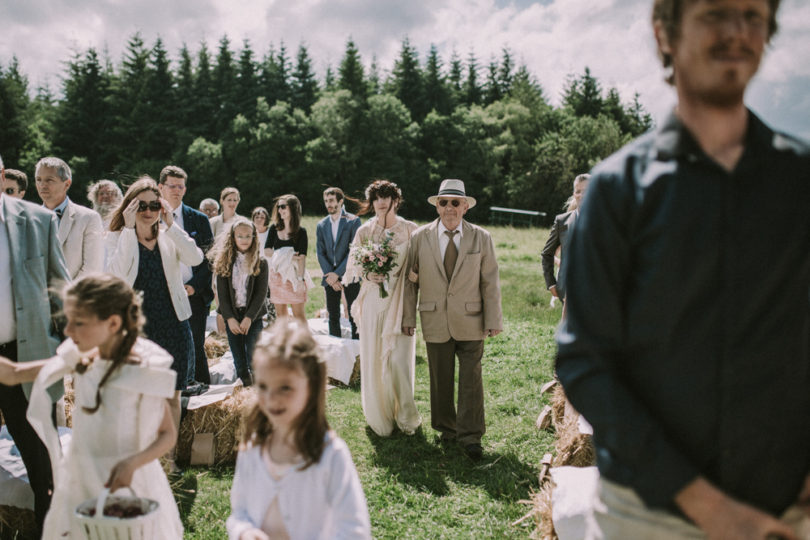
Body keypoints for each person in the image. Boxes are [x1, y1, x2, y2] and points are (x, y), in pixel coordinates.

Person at [556, 1, 810, 538]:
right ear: (664, 32)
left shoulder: (800, 179)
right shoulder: (616, 190)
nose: (739, 31)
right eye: (716, 12)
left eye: (754, 15)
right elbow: (584, 362)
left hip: (784, 512)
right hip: (651, 515)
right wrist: (712, 509)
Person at [0, 275, 184, 539]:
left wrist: (133, 463)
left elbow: (168, 434)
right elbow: (15, 373)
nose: (67, 330)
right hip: (82, 479)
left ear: (112, 323)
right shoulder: (81, 359)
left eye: (78, 323)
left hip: (128, 481)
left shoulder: (141, 371)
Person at [226, 319, 371, 539]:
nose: (272, 398)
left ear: (312, 386)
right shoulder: (253, 448)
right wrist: (245, 532)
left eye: (285, 387)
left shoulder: (330, 455)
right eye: (263, 386)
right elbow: (239, 512)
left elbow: (354, 530)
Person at [402, 179, 503, 461]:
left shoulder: (481, 237)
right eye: (443, 202)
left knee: (471, 379)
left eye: (455, 202)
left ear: (465, 207)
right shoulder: (419, 237)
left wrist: (493, 319)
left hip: (472, 319)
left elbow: (490, 282)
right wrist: (408, 316)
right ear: (437, 205)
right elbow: (410, 283)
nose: (449, 208)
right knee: (440, 378)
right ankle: (447, 430)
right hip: (434, 318)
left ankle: (471, 437)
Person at [0, 152, 70, 535]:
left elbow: (61, 286)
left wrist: (61, 348)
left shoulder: (37, 220)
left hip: (24, 354)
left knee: (41, 454)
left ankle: (51, 529)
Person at [107, 177, 203, 445]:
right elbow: (116, 275)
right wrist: (128, 230)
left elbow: (196, 258)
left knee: (172, 394)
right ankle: (144, 454)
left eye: (154, 205)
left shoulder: (168, 236)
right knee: (140, 394)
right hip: (138, 328)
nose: (148, 211)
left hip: (174, 324)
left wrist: (172, 225)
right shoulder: (118, 238)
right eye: (141, 206)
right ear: (130, 208)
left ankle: (169, 458)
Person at [343, 180, 420, 436]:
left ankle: (405, 415)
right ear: (372, 202)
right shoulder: (364, 232)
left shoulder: (411, 230)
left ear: (396, 200)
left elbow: (420, 266)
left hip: (401, 300)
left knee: (398, 360)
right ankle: (380, 416)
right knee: (375, 358)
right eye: (377, 198)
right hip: (374, 301)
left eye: (387, 197)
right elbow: (354, 266)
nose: (382, 202)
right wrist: (368, 275)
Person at [158, 165, 215, 388]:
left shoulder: (199, 219)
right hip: (162, 294)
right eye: (172, 186)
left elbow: (210, 258)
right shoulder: (151, 216)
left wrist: (192, 287)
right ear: (160, 187)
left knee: (195, 345)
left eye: (181, 186)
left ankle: (203, 394)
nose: (177, 190)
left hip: (193, 294)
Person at [209, 217, 268, 386]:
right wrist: (229, 318)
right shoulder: (224, 262)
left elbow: (260, 294)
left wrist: (249, 317)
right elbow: (222, 294)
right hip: (233, 317)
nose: (244, 240)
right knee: (240, 362)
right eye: (240, 236)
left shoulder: (261, 262)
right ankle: (246, 390)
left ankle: (259, 392)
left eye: (248, 236)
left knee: (253, 358)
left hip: (253, 317)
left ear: (254, 238)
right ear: (233, 237)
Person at [35, 156, 104, 280]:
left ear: (67, 184)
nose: (42, 185)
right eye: (38, 179)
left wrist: (65, 296)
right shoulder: (28, 219)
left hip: (73, 296)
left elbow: (92, 268)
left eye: (49, 180)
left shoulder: (89, 218)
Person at [317, 187, 362, 340]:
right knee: (333, 316)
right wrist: (331, 276)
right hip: (329, 276)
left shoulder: (353, 221)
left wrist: (338, 274)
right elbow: (320, 252)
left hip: (350, 273)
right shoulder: (321, 225)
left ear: (340, 201)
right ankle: (335, 349)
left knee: (354, 314)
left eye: (331, 200)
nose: (328, 204)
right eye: (325, 201)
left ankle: (357, 352)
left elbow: (354, 250)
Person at [540, 173, 590, 304]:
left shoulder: (606, 221)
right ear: (574, 193)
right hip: (567, 291)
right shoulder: (561, 221)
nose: (581, 195)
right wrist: (551, 284)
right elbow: (547, 254)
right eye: (578, 191)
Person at [263, 194, 310, 321]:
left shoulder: (301, 231)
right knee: (281, 316)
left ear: (293, 208)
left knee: (298, 315)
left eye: (283, 207)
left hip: (294, 276)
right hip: (277, 275)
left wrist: (300, 280)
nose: (280, 210)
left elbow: (302, 258)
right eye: (278, 207)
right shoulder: (274, 228)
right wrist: (286, 256)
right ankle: (284, 340)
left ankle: (303, 341)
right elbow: (267, 250)